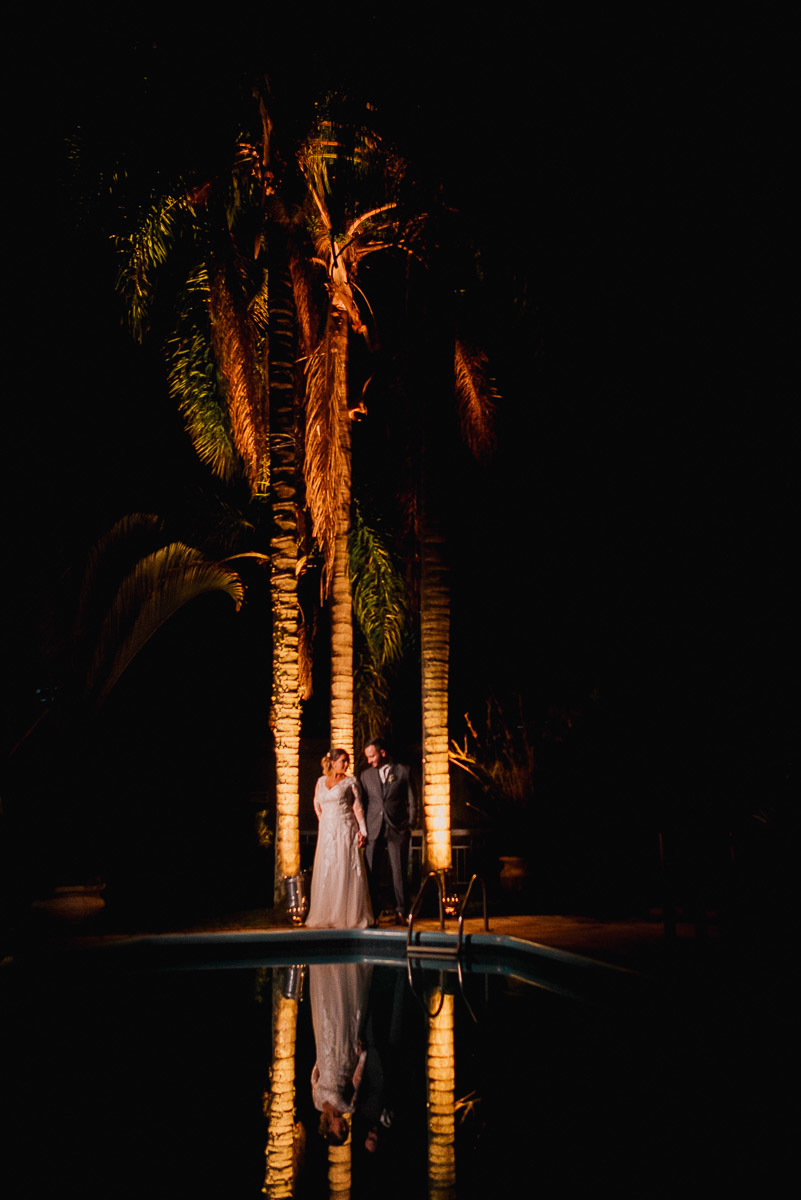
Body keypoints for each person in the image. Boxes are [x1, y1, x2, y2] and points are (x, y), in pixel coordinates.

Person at [305, 749, 373, 929]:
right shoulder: (321, 781)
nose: (346, 764)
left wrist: (363, 831)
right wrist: (325, 821)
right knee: (328, 868)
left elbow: (357, 807)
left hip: (345, 829)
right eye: (343, 760)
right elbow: (317, 803)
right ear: (333, 762)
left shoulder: (351, 782)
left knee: (344, 866)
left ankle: (346, 915)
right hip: (327, 831)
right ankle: (326, 914)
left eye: (347, 761)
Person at [360, 738, 417, 924]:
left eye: (372, 756)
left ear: (382, 753)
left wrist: (410, 823)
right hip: (373, 828)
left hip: (397, 828)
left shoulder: (403, 771)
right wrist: (362, 830)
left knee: (399, 871)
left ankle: (401, 912)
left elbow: (412, 799)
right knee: (372, 872)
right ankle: (373, 914)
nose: (369, 760)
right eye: (367, 757)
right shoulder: (365, 776)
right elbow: (362, 804)